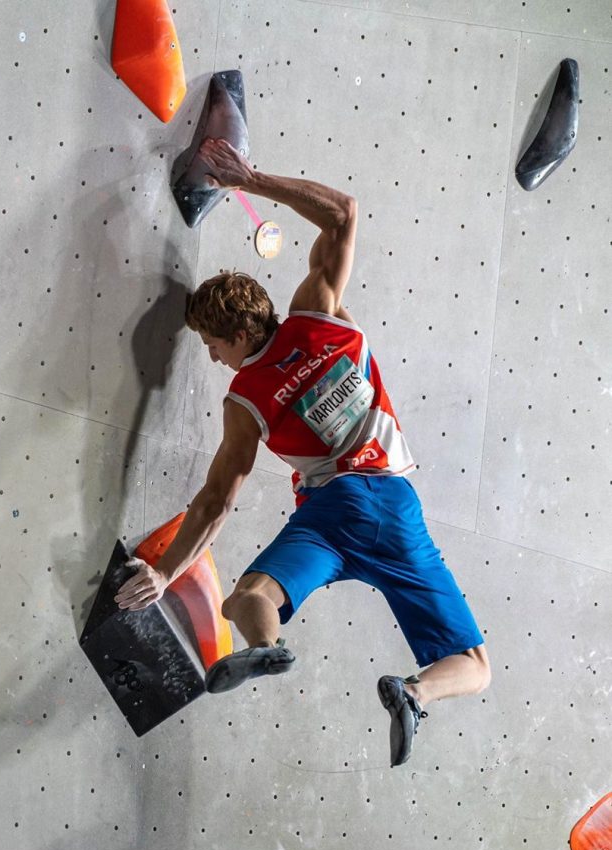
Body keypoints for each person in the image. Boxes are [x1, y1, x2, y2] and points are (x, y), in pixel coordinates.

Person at [116, 137, 490, 766]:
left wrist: (166, 573)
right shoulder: (320, 315)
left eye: (212, 344)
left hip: (332, 512)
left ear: (238, 334)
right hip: (394, 509)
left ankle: (268, 646)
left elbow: (216, 501)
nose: (212, 357)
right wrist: (251, 179)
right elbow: (343, 212)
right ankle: (413, 692)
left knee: (249, 601)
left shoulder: (244, 401)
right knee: (474, 666)